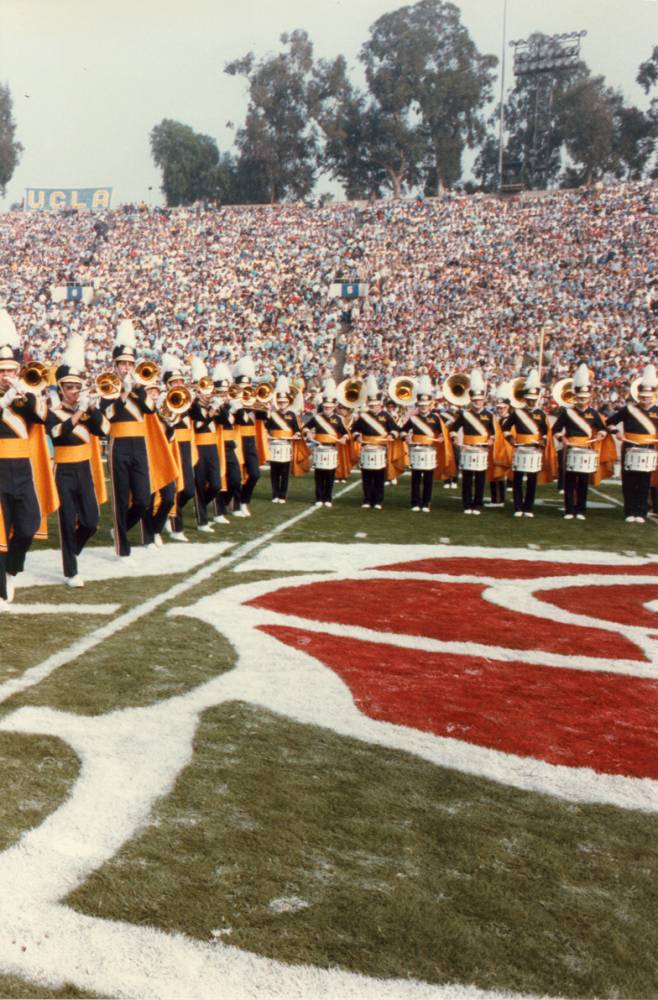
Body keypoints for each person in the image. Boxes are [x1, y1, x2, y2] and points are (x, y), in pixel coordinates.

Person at [101, 320, 176, 562]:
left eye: (130, 364)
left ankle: (120, 529)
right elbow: (106, 416)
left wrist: (138, 388)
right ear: (115, 365)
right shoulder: (106, 386)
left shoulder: (140, 388)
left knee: (144, 499)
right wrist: (122, 392)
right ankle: (123, 549)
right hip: (119, 443)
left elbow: (151, 410)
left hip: (140, 445)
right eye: (123, 363)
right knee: (121, 498)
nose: (126, 367)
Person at [0, 310, 57, 605]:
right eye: (0, 371)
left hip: (23, 470)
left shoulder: (26, 398)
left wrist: (26, 394)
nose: (5, 377)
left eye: (9, 371)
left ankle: (12, 569)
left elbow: (48, 418)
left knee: (28, 524)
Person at [48, 334, 109, 586]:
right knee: (66, 519)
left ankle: (72, 551)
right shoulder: (53, 412)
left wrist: (92, 410)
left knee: (91, 522)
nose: (74, 391)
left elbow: (104, 429)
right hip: (63, 469)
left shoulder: (87, 412)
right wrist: (79, 413)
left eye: (77, 387)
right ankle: (71, 571)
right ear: (61, 388)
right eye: (69, 387)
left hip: (84, 469)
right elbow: (57, 434)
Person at [551, 363, 612, 521]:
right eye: (579, 398)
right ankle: (569, 509)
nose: (582, 401)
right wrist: (561, 438)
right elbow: (556, 429)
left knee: (583, 482)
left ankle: (581, 510)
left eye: (584, 398)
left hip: (586, 447)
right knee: (570, 481)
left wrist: (601, 434)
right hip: (571, 448)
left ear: (589, 398)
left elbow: (602, 428)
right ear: (575, 397)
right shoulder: (567, 412)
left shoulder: (593, 413)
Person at [606, 364, 658, 523]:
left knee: (644, 481)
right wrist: (617, 433)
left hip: (649, 449)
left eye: (647, 396)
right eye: (642, 396)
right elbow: (609, 422)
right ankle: (629, 512)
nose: (645, 399)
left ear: (653, 395)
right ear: (638, 395)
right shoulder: (628, 409)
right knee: (629, 481)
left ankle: (641, 513)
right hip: (630, 447)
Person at [502, 370, 554, 518]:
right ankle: (518, 507)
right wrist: (510, 439)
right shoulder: (517, 413)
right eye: (529, 399)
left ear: (537, 398)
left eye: (533, 399)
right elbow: (505, 428)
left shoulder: (542, 414)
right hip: (520, 449)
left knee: (532, 481)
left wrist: (543, 440)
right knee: (517, 480)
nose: (531, 402)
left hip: (534, 450)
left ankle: (528, 507)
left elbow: (546, 432)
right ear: (525, 398)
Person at [400, 374, 455, 512]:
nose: (423, 408)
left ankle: (426, 502)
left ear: (430, 404)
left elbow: (443, 431)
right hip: (417, 449)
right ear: (418, 405)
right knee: (416, 478)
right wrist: (406, 437)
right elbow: (402, 431)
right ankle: (415, 502)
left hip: (430, 450)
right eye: (421, 405)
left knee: (428, 479)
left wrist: (442, 436)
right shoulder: (413, 419)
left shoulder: (436, 418)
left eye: (425, 405)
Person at [449, 369, 498, 516]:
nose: (478, 402)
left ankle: (477, 504)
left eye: (480, 400)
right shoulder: (465, 414)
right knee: (467, 479)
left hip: (482, 449)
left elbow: (495, 433)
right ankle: (466, 504)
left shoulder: (489, 415)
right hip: (468, 449)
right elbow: (453, 428)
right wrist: (455, 438)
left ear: (484, 400)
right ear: (471, 400)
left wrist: (491, 439)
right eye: (475, 400)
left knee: (480, 479)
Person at [162, 353, 198, 542]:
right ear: (167, 384)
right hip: (170, 446)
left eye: (180, 381)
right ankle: (176, 528)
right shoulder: (163, 400)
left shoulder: (186, 399)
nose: (178, 385)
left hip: (185, 446)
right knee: (175, 487)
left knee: (189, 490)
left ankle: (168, 514)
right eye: (174, 382)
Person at [350, 375, 399, 510]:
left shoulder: (386, 416)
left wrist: (391, 435)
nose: (373, 408)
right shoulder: (363, 417)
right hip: (366, 448)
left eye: (375, 405)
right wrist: (357, 436)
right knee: (366, 477)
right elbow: (354, 429)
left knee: (379, 477)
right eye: (370, 406)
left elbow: (395, 429)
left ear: (379, 404)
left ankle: (378, 500)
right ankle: (367, 499)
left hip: (380, 448)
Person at [303, 378, 350, 507]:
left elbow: (345, 432)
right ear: (323, 406)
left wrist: (344, 438)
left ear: (334, 407)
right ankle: (319, 498)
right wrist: (308, 432)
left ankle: (328, 498)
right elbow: (305, 427)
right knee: (319, 475)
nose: (327, 409)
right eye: (326, 407)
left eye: (330, 407)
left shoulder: (338, 419)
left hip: (331, 448)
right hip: (319, 447)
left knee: (330, 475)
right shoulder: (317, 417)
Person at [190, 357, 222, 532]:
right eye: (203, 389)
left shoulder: (213, 405)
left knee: (216, 484)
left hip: (212, 447)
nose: (207, 393)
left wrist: (223, 407)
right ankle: (202, 520)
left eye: (208, 389)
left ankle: (201, 505)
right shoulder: (193, 407)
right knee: (200, 483)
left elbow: (226, 421)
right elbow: (199, 425)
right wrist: (210, 412)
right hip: (200, 446)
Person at [265, 376, 306, 503]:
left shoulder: (292, 415)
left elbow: (298, 431)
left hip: (286, 444)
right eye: (280, 402)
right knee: (274, 472)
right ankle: (275, 494)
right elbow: (266, 428)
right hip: (275, 444)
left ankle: (282, 495)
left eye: (284, 402)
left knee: (284, 472)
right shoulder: (273, 415)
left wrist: (296, 436)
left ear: (288, 402)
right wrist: (267, 435)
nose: (282, 404)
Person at [232, 356, 263, 517]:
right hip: (236, 439)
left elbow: (265, 418)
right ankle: (236, 505)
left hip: (250, 440)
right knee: (236, 476)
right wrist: (239, 405)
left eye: (248, 387)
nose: (246, 391)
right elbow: (238, 420)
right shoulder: (234, 402)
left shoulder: (254, 402)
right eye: (242, 387)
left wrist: (263, 404)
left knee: (255, 474)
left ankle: (244, 501)